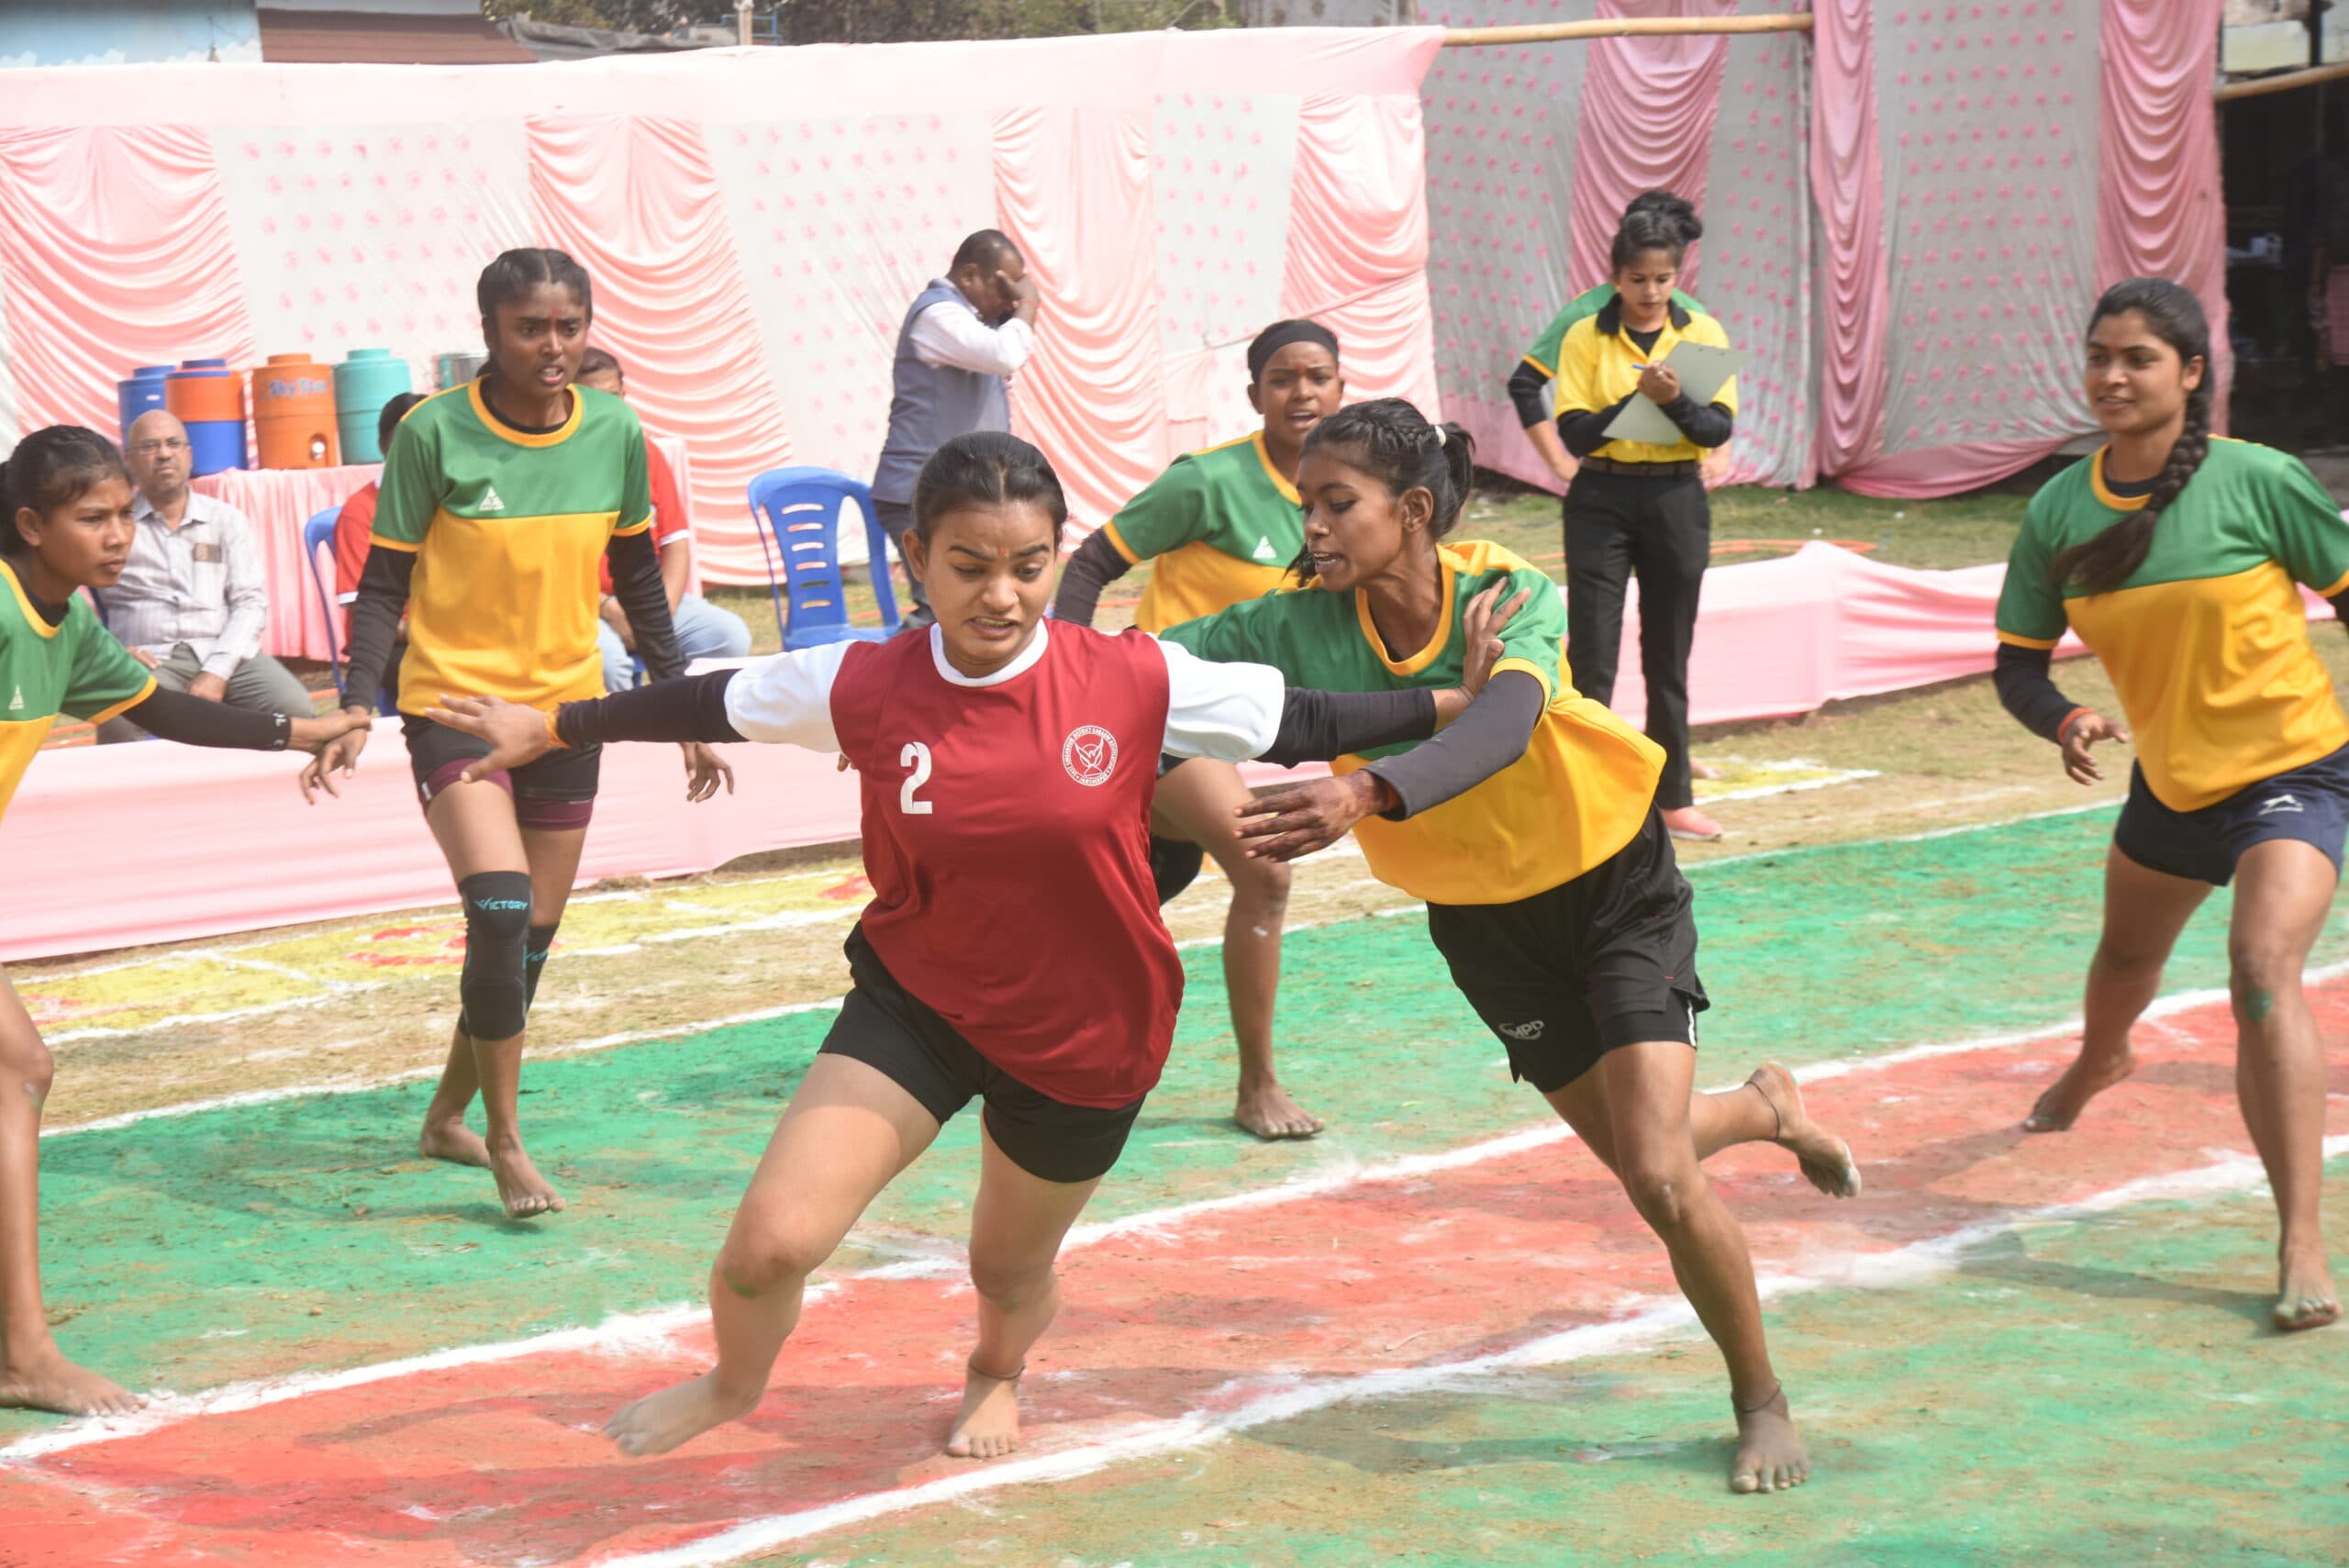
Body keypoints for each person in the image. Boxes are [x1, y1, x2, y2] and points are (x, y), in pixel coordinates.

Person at [426, 429, 1521, 1462]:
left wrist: (1449, 704)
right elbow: (721, 697)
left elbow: (1305, 718)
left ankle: (997, 1368)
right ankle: (731, 1384)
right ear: (917, 560)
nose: (1001, 594)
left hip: (1089, 1030)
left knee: (1005, 1272)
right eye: (970, 565)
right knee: (764, 1250)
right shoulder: (860, 682)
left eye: (1029, 565)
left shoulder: (1132, 676)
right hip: (920, 1004)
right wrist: (558, 725)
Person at [1160, 399, 1858, 1495]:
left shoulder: (1506, 592)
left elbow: (1502, 726)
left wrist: (1365, 785)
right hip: (1485, 928)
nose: (1316, 528)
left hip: (1612, 885)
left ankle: (1759, 1399)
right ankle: (1767, 1107)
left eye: (1338, 503)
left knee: (1660, 1179)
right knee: (1647, 1150)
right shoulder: (1286, 622)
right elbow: (1137, 670)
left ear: (1416, 508)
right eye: (1306, 506)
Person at [315, 248, 731, 1221]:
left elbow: (637, 581)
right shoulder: (431, 433)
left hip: (562, 713)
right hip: (454, 706)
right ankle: (505, 1139)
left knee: (529, 942)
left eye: (568, 326)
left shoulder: (619, 431)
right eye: (529, 328)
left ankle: (445, 1117)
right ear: (489, 336)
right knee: (499, 910)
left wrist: (679, 710)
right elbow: (383, 584)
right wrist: (356, 700)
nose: (551, 346)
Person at [1994, 277, 2344, 1334]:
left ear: (2191, 374)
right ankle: (2103, 1055)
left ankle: (2299, 1239)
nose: (2112, 375)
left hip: (2294, 770)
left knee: (2258, 968)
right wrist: (2061, 719)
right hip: (2171, 785)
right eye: (2100, 355)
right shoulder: (2058, 509)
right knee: (2123, 966)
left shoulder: (2258, 480)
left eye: (2138, 357)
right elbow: (2015, 666)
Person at [0, 426, 367, 1416]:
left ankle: (20, 1345)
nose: (120, 534)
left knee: (16, 1067)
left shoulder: (63, 625)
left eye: (124, 513)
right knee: (15, 1067)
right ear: (32, 524)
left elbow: (166, 709)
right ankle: (23, 1350)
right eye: (95, 517)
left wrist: (303, 724)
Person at [1050, 318, 1345, 1140]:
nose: (1302, 393)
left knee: (1113, 898)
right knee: (1265, 869)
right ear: (1254, 395)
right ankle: (1258, 1089)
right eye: (1283, 379)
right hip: (1158, 709)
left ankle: (967, 1001)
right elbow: (1089, 563)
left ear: (1342, 388)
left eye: (1318, 376)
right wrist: (1069, 679)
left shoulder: (1347, 497)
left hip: (1239, 733)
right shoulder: (1207, 484)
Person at [1550, 193, 1737, 842]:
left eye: (1663, 279)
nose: (1651, 292)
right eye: (1637, 280)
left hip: (1676, 499)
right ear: (1614, 277)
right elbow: (1574, 434)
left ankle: (1673, 797)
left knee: (1669, 656)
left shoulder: (1703, 334)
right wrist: (1638, 397)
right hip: (1601, 498)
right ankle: (1588, 792)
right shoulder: (1584, 336)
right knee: (1593, 656)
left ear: (1679, 275)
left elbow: (1718, 424)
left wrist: (1675, 399)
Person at [94, 409, 317, 742]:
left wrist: (217, 671)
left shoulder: (226, 520)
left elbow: (250, 602)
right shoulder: (112, 526)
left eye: (173, 444)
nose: (164, 453)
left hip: (224, 651)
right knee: (118, 720)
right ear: (130, 461)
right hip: (149, 659)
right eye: (150, 446)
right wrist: (110, 650)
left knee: (293, 707)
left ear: (188, 454)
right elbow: (66, 595)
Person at [873, 229, 1038, 628]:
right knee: (940, 611)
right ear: (969, 277)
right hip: (917, 493)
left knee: (965, 611)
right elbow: (1007, 354)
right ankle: (882, 685)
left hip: (952, 491)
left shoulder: (973, 324)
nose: (1012, 299)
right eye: (1004, 287)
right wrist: (1030, 303)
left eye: (1016, 291)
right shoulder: (937, 315)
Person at [573, 348, 751, 692]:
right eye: (593, 401)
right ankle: (629, 736)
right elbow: (553, 565)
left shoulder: (646, 452)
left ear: (625, 396)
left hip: (651, 600)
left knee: (729, 638)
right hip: (587, 607)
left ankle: (687, 715)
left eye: (613, 398)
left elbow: (676, 543)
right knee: (610, 667)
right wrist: (611, 611)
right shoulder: (556, 462)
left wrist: (658, 617)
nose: (607, 412)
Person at [1508, 190, 1710, 488]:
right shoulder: (1585, 313)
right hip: (1603, 475)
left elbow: (1713, 396)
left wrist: (1718, 454)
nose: (1652, 288)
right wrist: (1559, 463)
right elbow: (1524, 383)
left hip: (1675, 480)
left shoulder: (1695, 316)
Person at [331, 391, 429, 646]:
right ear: (384, 445)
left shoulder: (455, 502)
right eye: (405, 438)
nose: (418, 447)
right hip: (390, 643)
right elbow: (364, 614)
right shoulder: (360, 511)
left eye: (430, 437)